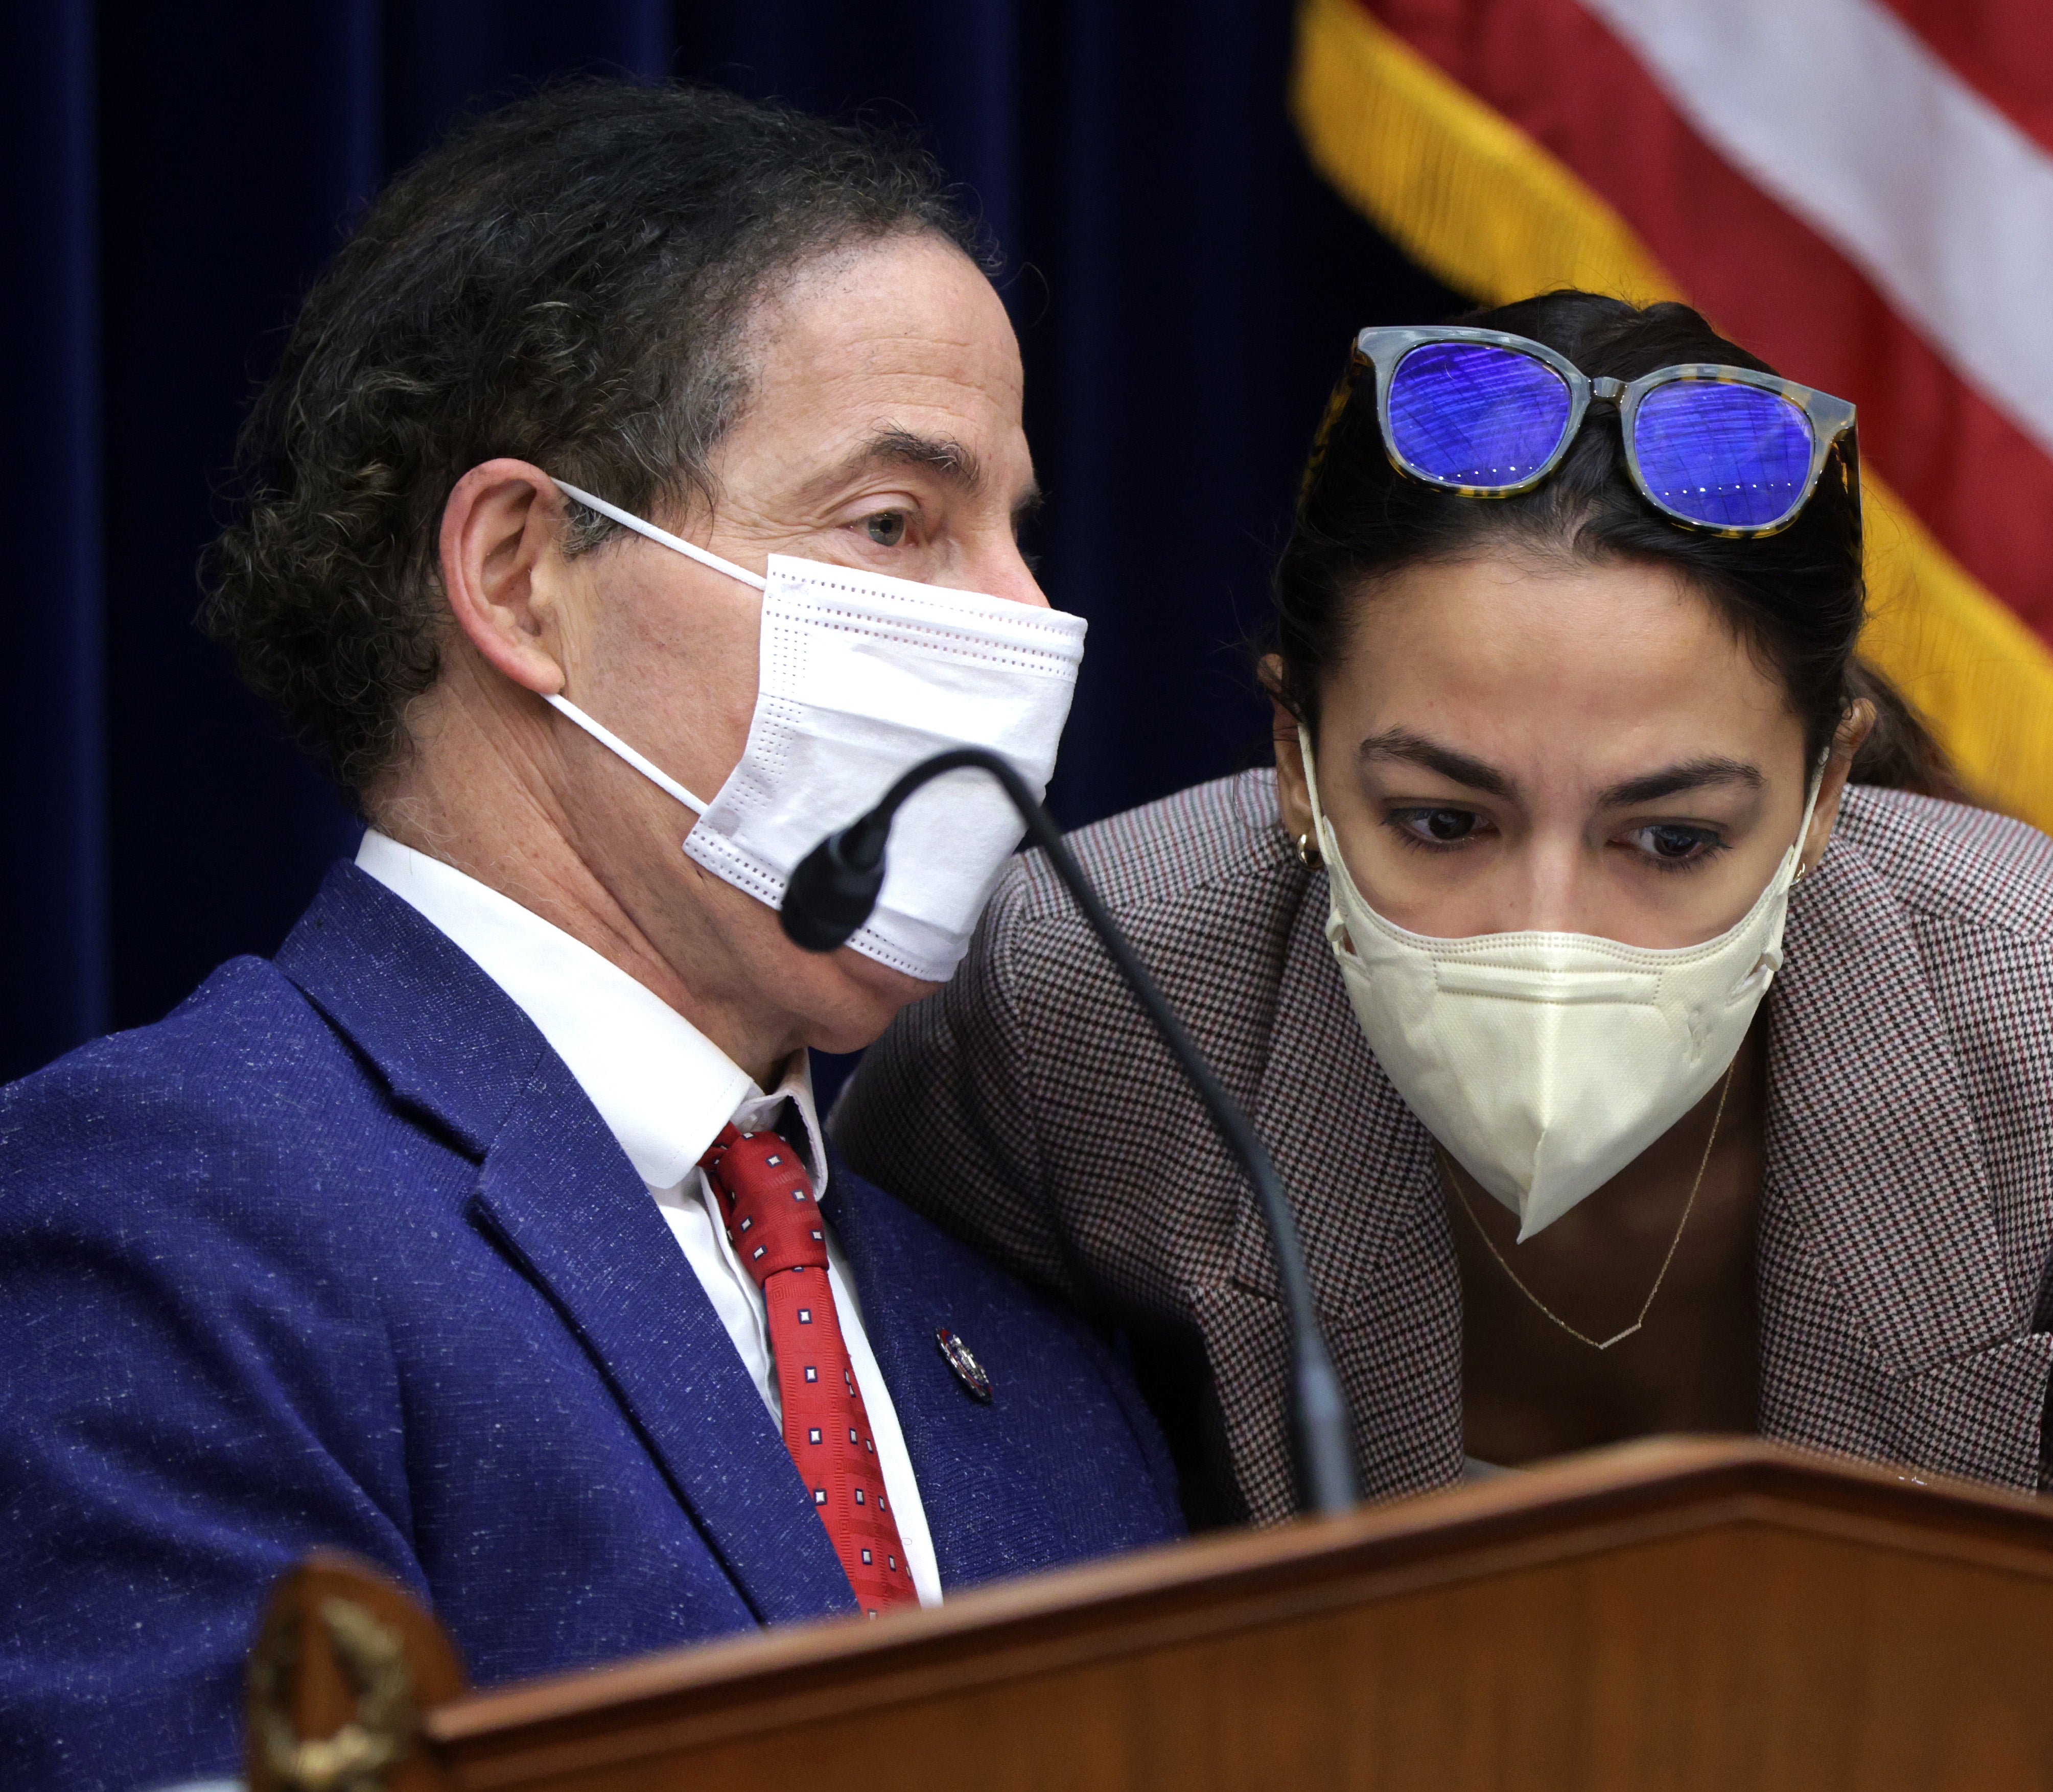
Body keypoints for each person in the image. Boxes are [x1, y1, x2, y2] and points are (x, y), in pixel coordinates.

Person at [0, 84, 1181, 1792]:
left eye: (1020, 532)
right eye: (896, 524)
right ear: (522, 573)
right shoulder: (159, 1216)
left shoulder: (1030, 1341)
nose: (1023, 622)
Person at [834, 292, 2053, 1543]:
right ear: (1294, 759)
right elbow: (916, 1568)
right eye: (1443, 821)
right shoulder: (1083, 1005)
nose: (1548, 931)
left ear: (1825, 790)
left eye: (1669, 837)